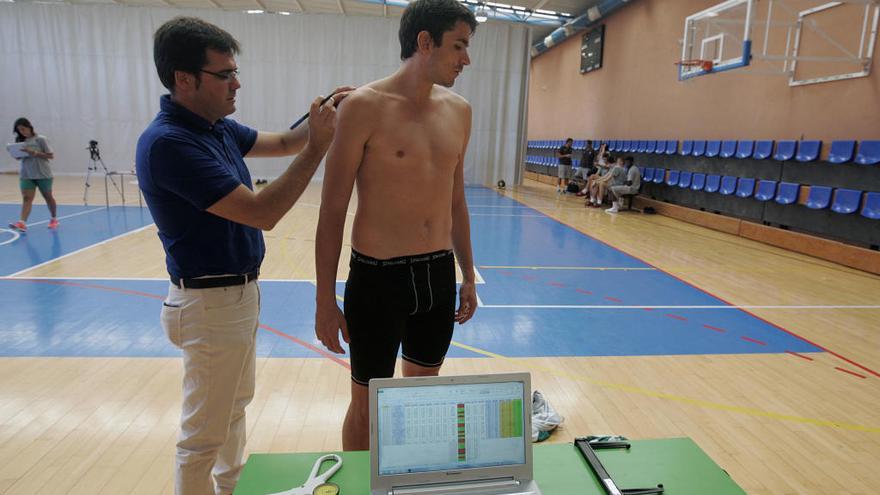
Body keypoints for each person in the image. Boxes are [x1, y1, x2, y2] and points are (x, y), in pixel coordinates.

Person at [135, 17, 348, 495]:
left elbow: (287, 141)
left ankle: (231, 488)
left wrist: (322, 110)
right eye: (224, 74)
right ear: (184, 80)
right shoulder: (170, 144)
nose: (236, 82)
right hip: (210, 306)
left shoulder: (216, 128)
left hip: (233, 298)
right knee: (202, 437)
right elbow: (263, 211)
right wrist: (318, 148)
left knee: (232, 412)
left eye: (235, 70)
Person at [314, 0, 478, 451]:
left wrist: (468, 275)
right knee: (367, 409)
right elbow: (331, 212)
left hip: (438, 276)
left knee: (422, 402)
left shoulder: (459, 111)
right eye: (459, 46)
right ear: (425, 42)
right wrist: (325, 301)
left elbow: (457, 201)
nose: (466, 58)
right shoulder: (363, 107)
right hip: (378, 279)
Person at [8, 118, 58, 232]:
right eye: (19, 130)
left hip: (43, 174)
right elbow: (19, 157)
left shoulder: (41, 139)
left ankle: (54, 218)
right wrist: (14, 153)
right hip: (26, 174)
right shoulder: (20, 141)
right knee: (26, 198)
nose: (22, 132)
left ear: (29, 126)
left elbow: (50, 156)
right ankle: (22, 223)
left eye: (23, 129)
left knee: (48, 198)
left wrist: (33, 152)